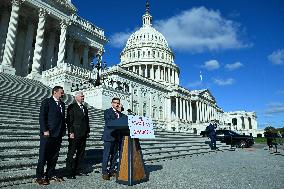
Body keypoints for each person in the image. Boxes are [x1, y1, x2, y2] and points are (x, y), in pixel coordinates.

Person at [36, 86, 66, 185]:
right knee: (43, 156)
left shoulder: (62, 104)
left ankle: (50, 174)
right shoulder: (47, 101)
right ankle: (39, 176)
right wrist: (45, 130)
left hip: (58, 134)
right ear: (55, 92)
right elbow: (42, 116)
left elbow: (62, 119)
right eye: (61, 92)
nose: (63, 94)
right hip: (47, 134)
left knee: (54, 156)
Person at [66, 91, 90, 179]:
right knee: (71, 152)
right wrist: (71, 132)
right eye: (81, 96)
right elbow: (69, 120)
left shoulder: (85, 108)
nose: (83, 98)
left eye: (83, 96)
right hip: (75, 133)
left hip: (83, 133)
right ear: (76, 97)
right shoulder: (72, 106)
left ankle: (77, 170)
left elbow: (87, 121)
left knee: (81, 153)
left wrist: (88, 131)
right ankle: (69, 171)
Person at [101, 97, 122, 180]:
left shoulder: (120, 114)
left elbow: (123, 122)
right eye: (115, 103)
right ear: (112, 103)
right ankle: (104, 172)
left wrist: (120, 113)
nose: (117, 104)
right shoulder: (107, 111)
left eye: (118, 103)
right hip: (109, 137)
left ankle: (112, 170)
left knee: (114, 155)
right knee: (106, 155)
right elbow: (110, 122)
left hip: (117, 137)